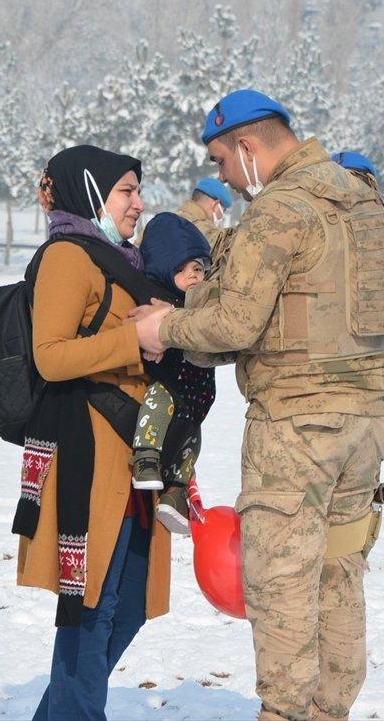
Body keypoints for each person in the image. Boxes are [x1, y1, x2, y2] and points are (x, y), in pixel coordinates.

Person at [132, 89, 384, 721]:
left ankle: (282, 712)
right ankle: (330, 710)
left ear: (248, 146)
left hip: (296, 428)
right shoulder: (367, 204)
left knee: (281, 583)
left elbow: (236, 323)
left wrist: (163, 327)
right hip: (366, 424)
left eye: (222, 160)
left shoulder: (281, 208)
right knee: (340, 574)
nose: (225, 177)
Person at [15, 145, 170, 720]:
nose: (138, 203)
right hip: (89, 454)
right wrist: (137, 339)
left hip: (133, 455)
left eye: (138, 191)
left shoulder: (124, 260)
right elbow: (51, 356)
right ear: (90, 194)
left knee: (127, 606)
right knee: (92, 608)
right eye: (126, 191)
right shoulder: (67, 257)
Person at [131, 211, 216, 535]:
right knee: (158, 402)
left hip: (196, 394)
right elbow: (146, 329)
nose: (192, 276)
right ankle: (146, 457)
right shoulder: (157, 298)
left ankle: (177, 489)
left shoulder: (206, 304)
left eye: (197, 268)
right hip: (170, 383)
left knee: (193, 438)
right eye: (181, 270)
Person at [174, 176, 233, 260]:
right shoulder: (204, 230)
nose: (222, 216)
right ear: (215, 205)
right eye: (223, 210)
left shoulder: (175, 218)